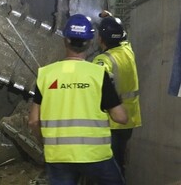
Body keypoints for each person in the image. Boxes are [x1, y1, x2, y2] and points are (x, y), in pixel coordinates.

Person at [28, 14, 128, 185]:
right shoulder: (98, 75)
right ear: (90, 42)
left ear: (65, 40)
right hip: (95, 156)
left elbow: (33, 121)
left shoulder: (46, 74)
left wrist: (44, 143)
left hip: (58, 156)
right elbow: (121, 118)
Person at [93, 11, 142, 177]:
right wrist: (111, 18)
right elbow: (122, 35)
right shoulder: (128, 50)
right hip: (129, 120)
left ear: (101, 39)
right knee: (119, 162)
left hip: (111, 122)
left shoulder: (103, 60)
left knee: (108, 169)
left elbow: (94, 86)